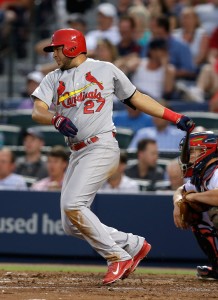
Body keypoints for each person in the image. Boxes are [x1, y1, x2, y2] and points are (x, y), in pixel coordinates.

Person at [31, 28, 194, 285]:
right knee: (70, 223)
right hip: (77, 152)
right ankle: (134, 245)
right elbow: (37, 110)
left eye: (57, 49)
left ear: (72, 47)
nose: (54, 54)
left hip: (102, 145)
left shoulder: (105, 69)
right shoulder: (53, 78)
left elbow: (136, 98)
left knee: (73, 206)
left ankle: (116, 256)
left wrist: (175, 117)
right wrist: (55, 117)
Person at [173, 131, 218, 280]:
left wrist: (193, 197)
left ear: (208, 150)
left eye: (192, 151)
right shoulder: (203, 175)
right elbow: (180, 190)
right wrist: (178, 204)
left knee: (215, 212)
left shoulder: (216, 171)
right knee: (194, 211)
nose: (187, 157)